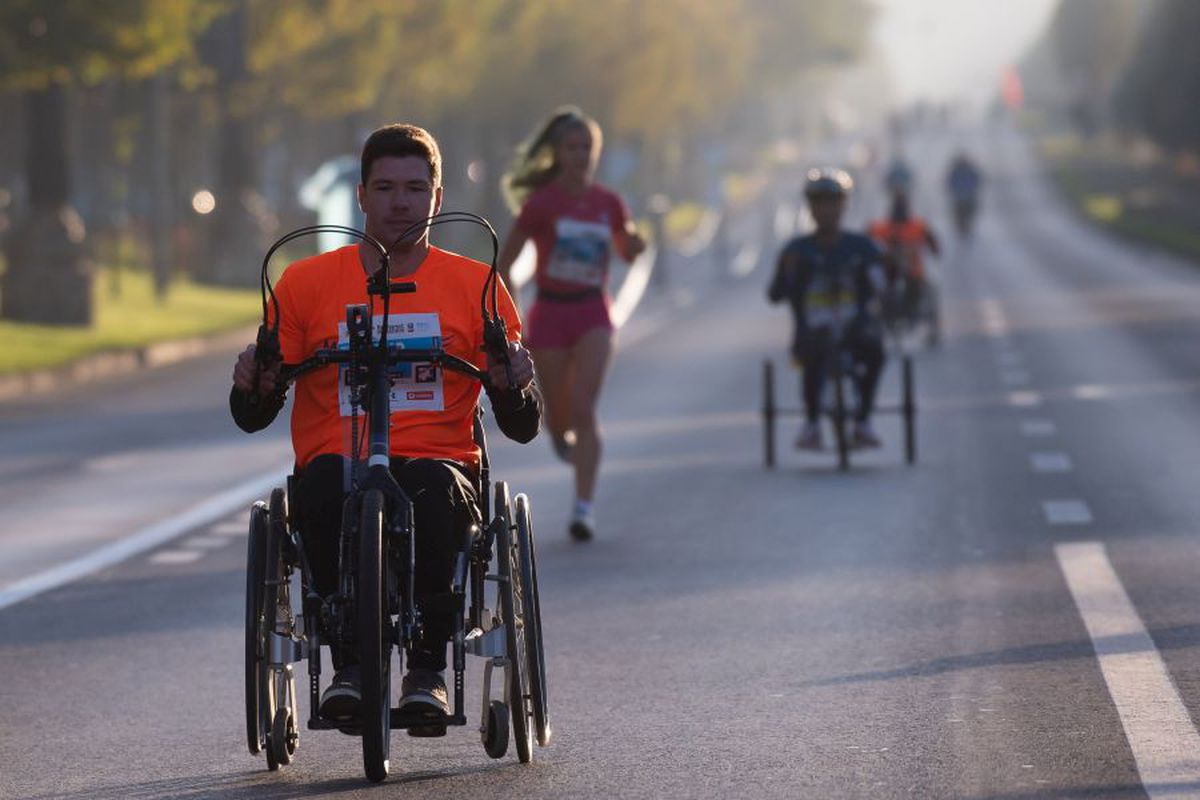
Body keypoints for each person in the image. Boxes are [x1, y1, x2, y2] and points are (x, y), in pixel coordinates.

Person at [229, 124, 541, 733]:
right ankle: (347, 665)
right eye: (386, 188)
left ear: (437, 197)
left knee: (434, 490)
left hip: (439, 460)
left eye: (415, 189)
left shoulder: (475, 286)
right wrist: (254, 383)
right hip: (337, 459)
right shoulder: (305, 284)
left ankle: (426, 670)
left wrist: (513, 385)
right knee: (324, 485)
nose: (401, 203)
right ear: (361, 196)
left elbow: (522, 425)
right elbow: (253, 413)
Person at [496, 107, 645, 542]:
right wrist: (514, 321)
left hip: (593, 312)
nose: (580, 155)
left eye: (587, 148)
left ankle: (583, 508)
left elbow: (627, 249)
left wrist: (636, 243)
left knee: (584, 407)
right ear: (558, 153)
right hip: (550, 314)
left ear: (596, 153)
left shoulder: (608, 203)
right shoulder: (541, 204)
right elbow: (505, 265)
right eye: (572, 147)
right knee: (558, 417)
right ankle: (562, 438)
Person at [768, 168, 888, 451]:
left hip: (855, 328)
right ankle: (811, 424)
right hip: (812, 330)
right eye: (819, 203)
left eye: (833, 203)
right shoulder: (796, 250)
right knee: (812, 358)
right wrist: (789, 274)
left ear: (844, 206)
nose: (826, 210)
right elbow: (775, 294)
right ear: (810, 208)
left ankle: (863, 421)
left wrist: (886, 272)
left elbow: (883, 285)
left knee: (875, 353)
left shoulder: (862, 247)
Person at [868, 192, 941, 341]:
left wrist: (933, 248)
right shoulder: (882, 227)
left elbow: (932, 240)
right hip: (888, 274)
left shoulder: (917, 226)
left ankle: (911, 315)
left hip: (912, 273)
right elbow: (866, 238)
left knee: (923, 290)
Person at [945, 151, 983, 239]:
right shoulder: (958, 171)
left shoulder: (959, 171)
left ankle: (964, 228)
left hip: (965, 197)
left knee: (965, 214)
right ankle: (962, 229)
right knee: (962, 215)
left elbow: (977, 181)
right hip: (962, 197)